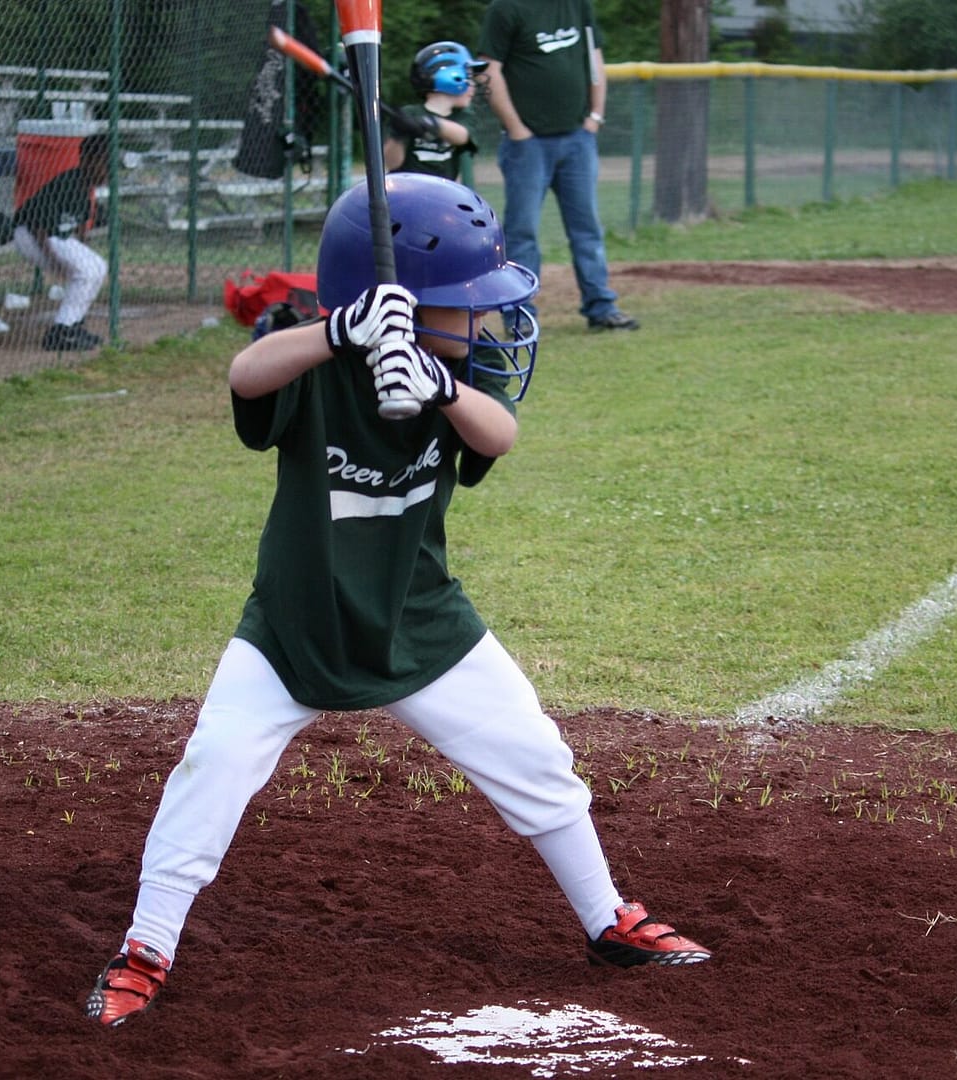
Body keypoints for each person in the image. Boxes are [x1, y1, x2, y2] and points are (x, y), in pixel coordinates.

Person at [83, 172, 709, 1028]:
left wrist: (443, 389)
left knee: (537, 759)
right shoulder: (315, 366)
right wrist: (337, 335)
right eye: (464, 303)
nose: (485, 321)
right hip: (296, 630)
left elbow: (503, 433)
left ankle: (609, 920)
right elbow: (247, 371)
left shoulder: (456, 371)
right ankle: (145, 948)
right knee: (213, 769)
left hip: (421, 623)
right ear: (395, 305)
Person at [477, 0, 639, 331]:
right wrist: (518, 129)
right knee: (522, 232)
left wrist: (595, 116)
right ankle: (520, 315)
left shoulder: (577, 5)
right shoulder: (506, 9)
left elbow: (594, 58)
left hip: (577, 139)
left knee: (587, 229)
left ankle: (601, 307)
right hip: (527, 145)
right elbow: (487, 69)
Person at [11, 133, 108, 352]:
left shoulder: (85, 187)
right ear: (89, 160)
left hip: (55, 236)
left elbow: (82, 229)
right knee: (88, 270)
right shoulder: (68, 182)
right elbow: (37, 224)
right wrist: (53, 260)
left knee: (97, 267)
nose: (108, 173)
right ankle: (61, 331)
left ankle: (73, 324)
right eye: (105, 164)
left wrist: (81, 253)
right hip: (30, 234)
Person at [384, 41, 485, 180]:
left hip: (442, 195)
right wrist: (398, 135)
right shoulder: (409, 114)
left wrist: (428, 124)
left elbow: (462, 136)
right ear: (451, 77)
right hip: (406, 193)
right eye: (468, 78)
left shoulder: (463, 116)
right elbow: (392, 164)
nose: (473, 85)